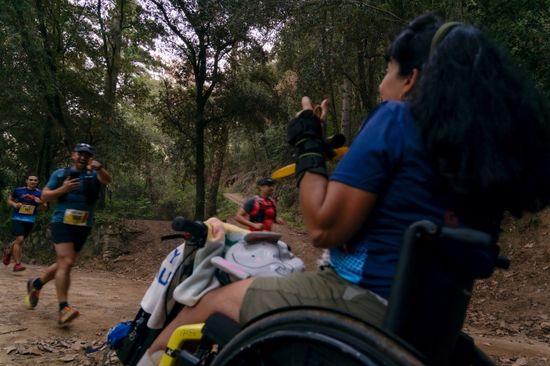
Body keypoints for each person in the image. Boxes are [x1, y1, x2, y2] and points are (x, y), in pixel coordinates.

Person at [139, 13, 550, 364]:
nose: (380, 86)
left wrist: (307, 143)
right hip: (429, 324)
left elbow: (322, 226)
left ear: (412, 79)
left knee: (204, 304)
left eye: (389, 70)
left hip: (364, 304)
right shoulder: (477, 155)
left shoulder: (395, 118)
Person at [24, 143, 112, 326]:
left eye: (86, 154)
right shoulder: (60, 174)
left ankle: (36, 284)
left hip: (83, 224)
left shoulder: (94, 173)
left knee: (64, 263)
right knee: (67, 262)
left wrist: (100, 168)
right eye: (79, 153)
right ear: (73, 155)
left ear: (90, 157)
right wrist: (62, 189)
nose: (83, 157)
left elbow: (107, 180)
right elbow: (45, 196)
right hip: (61, 221)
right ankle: (63, 309)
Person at [3, 175, 46, 272]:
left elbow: (45, 208)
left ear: (37, 182)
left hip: (30, 220)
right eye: (31, 180)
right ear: (26, 181)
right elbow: (9, 200)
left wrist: (40, 202)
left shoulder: (40, 193)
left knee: (19, 241)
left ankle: (8, 252)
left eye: (35, 180)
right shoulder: (18, 190)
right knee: (20, 239)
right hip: (17, 218)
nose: (33, 181)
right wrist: (15, 204)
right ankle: (17, 264)